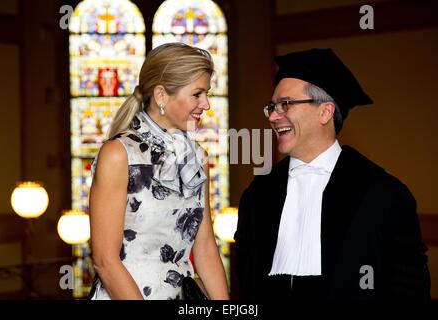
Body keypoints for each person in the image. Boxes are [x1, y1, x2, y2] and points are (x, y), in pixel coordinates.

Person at [234, 48, 430, 300]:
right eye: (272, 106)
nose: (273, 116)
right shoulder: (258, 193)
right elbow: (247, 278)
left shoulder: (381, 192)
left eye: (285, 104)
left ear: (325, 112)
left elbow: (408, 288)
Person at [88, 43, 229, 300]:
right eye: (197, 94)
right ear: (161, 95)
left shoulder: (197, 157)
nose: (206, 104)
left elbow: (206, 248)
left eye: (206, 93)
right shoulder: (118, 154)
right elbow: (104, 261)